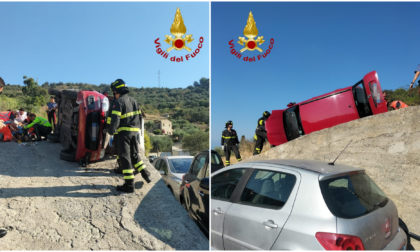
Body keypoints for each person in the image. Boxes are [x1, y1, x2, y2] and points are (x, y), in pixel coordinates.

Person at [107, 79, 151, 193]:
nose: (114, 94)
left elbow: (115, 118)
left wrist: (111, 131)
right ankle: (146, 174)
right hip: (134, 133)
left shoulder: (118, 101)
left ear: (118, 90)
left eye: (114, 91)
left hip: (124, 134)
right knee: (134, 154)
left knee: (124, 157)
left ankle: (129, 184)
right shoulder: (133, 101)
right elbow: (139, 117)